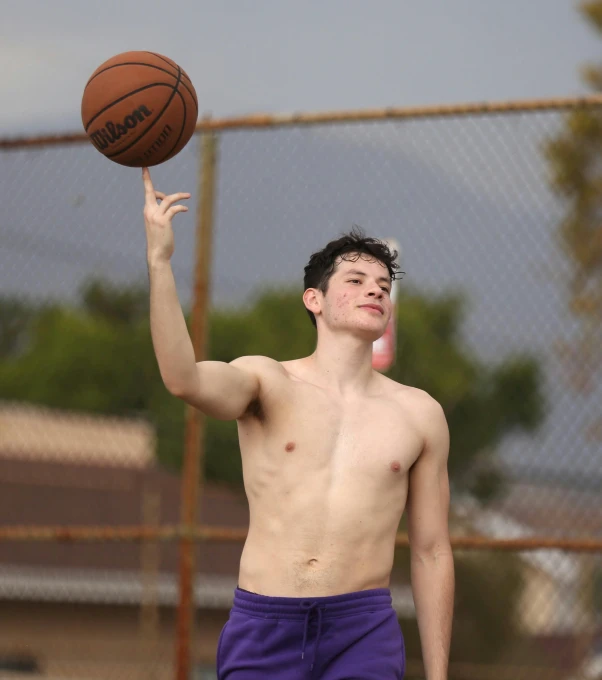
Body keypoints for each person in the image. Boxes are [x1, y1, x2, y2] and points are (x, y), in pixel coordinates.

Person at [142, 167, 454, 680]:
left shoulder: (419, 414)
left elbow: (432, 549)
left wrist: (438, 674)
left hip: (363, 630)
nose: (374, 292)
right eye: (355, 281)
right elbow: (182, 379)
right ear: (315, 300)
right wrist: (160, 261)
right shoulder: (267, 381)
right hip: (266, 623)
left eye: (383, 286)